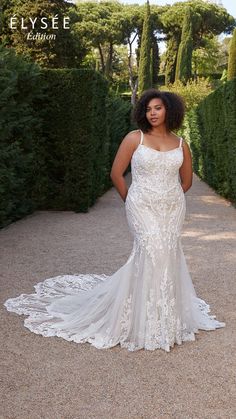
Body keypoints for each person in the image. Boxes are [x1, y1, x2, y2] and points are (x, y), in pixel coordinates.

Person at [3, 88, 225, 352]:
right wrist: (131, 200)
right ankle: (143, 324)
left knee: (167, 255)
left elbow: (186, 183)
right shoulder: (135, 138)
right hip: (141, 205)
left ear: (170, 111)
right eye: (148, 108)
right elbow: (116, 174)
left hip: (171, 209)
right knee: (152, 249)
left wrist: (167, 197)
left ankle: (165, 319)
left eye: (158, 108)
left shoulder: (181, 144)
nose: (152, 113)